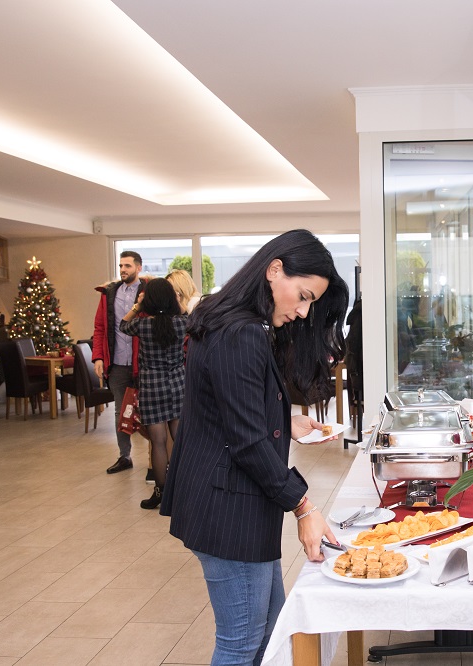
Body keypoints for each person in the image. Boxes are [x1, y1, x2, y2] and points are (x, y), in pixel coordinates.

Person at [160, 229, 348, 665]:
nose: (303, 311)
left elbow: (230, 410)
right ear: (274, 270)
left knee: (269, 632)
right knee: (241, 643)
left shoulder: (234, 323)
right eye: (303, 296)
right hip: (228, 508)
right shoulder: (240, 332)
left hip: (233, 503)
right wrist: (304, 507)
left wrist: (284, 421)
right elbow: (246, 442)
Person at [118, 278, 188, 509]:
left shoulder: (142, 325)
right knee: (180, 440)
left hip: (151, 387)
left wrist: (138, 306)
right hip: (177, 384)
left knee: (158, 443)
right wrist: (178, 301)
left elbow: (122, 325)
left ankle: (161, 492)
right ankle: (185, 489)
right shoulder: (181, 323)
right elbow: (191, 317)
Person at [93, 250, 147, 474]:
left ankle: (155, 459)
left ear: (138, 268)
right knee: (120, 411)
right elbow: (100, 328)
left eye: (128, 266)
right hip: (116, 363)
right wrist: (98, 357)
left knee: (147, 410)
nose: (123, 270)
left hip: (143, 362)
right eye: (121, 266)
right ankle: (124, 456)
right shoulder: (109, 293)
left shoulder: (147, 292)